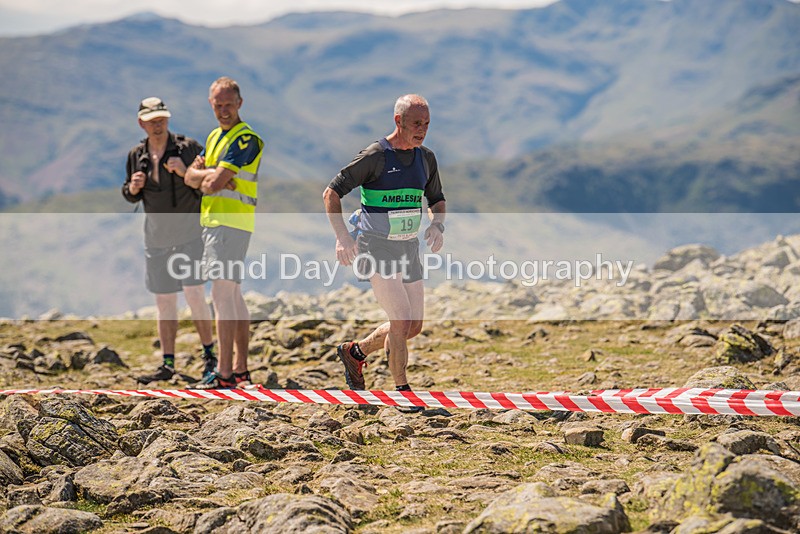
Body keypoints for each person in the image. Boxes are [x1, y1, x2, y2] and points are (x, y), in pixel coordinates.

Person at [323, 94, 446, 407]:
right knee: (400, 320)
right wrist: (342, 238)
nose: (422, 130)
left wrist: (437, 225)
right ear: (398, 121)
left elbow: (436, 199)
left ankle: (355, 352)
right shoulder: (375, 156)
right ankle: (403, 391)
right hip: (375, 246)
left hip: (409, 248)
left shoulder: (426, 158)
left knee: (413, 326)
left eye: (427, 124)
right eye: (416, 123)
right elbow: (331, 193)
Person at [122, 97, 217, 385]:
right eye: (152, 121)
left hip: (190, 235)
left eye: (161, 119)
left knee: (194, 295)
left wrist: (185, 172)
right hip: (156, 238)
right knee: (164, 302)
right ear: (141, 123)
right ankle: (167, 364)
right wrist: (132, 188)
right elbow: (130, 194)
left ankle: (210, 358)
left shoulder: (188, 149)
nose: (158, 125)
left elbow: (208, 184)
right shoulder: (136, 155)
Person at [185, 77, 264, 389]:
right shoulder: (215, 136)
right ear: (211, 104)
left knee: (220, 295)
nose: (223, 110)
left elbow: (212, 185)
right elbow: (192, 178)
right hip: (218, 223)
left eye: (229, 105)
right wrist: (208, 174)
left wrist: (207, 177)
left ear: (240, 103)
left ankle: (225, 372)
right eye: (218, 105)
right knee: (232, 295)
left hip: (230, 224)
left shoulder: (246, 139)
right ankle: (239, 371)